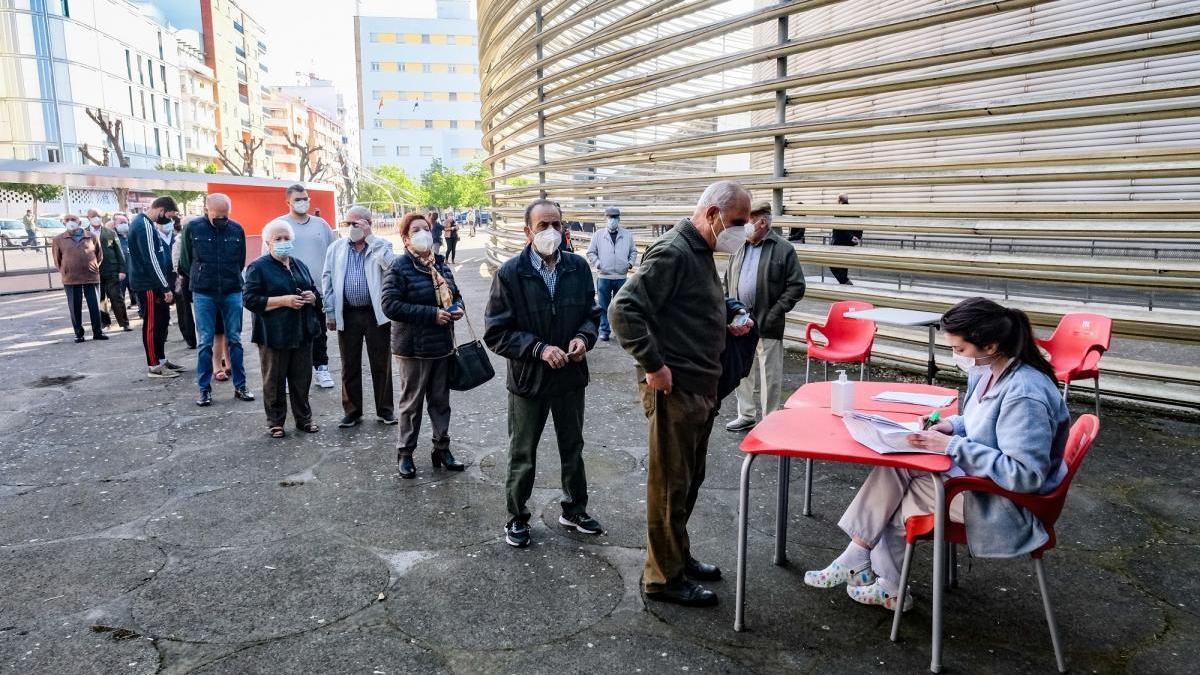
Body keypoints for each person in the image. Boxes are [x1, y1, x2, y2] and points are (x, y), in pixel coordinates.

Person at [805, 297, 1071, 611]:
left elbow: (1025, 475)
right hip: (981, 481)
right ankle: (864, 564)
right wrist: (948, 425)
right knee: (897, 468)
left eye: (959, 350)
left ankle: (881, 580)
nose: (955, 356)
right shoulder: (990, 371)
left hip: (1005, 503)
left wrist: (949, 446)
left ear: (991, 346)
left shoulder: (1024, 394)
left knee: (901, 494)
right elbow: (980, 423)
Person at [609, 180, 756, 607]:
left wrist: (729, 314)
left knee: (688, 481)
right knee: (670, 487)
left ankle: (677, 557)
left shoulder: (700, 251)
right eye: (737, 222)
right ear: (711, 215)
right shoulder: (674, 251)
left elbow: (690, 305)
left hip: (701, 386)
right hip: (677, 390)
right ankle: (662, 580)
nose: (742, 231)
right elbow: (624, 309)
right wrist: (654, 366)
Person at [484, 199, 603, 549]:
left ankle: (574, 508)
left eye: (556, 224)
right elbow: (496, 332)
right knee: (522, 451)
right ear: (527, 232)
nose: (551, 232)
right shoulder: (510, 273)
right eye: (542, 226)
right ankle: (517, 516)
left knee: (573, 447)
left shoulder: (578, 268)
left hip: (569, 376)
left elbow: (591, 314)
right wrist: (538, 349)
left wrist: (584, 338)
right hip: (528, 381)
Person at [382, 212, 466, 478]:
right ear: (406, 238)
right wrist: (431, 314)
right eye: (416, 229)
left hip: (441, 346)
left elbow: (456, 294)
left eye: (426, 228)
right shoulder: (399, 267)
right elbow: (390, 305)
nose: (422, 233)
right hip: (412, 349)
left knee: (441, 402)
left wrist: (457, 308)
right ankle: (405, 453)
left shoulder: (440, 265)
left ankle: (442, 448)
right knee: (412, 404)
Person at [724, 202, 806, 432]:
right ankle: (746, 415)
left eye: (748, 220)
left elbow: (796, 286)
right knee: (743, 372)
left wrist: (775, 312)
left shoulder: (783, 249)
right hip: (740, 321)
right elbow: (727, 279)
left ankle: (770, 420)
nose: (744, 226)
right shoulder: (739, 246)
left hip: (768, 322)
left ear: (762, 222)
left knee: (770, 375)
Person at [243, 220, 322, 438]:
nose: (283, 242)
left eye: (287, 238)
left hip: (302, 331)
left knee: (301, 379)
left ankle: (304, 419)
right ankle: (276, 422)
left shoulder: (298, 264)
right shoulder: (258, 267)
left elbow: (314, 289)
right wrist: (283, 300)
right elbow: (250, 299)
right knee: (274, 380)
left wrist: (312, 296)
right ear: (268, 242)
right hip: (274, 334)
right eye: (278, 239)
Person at [323, 205, 397, 428]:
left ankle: (385, 410)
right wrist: (330, 312)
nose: (351, 228)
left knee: (381, 363)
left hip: (376, 313)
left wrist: (371, 239)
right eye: (348, 224)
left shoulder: (382, 245)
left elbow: (392, 267)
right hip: (348, 312)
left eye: (356, 223)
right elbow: (327, 279)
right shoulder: (336, 248)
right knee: (349, 363)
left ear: (367, 223)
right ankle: (352, 411)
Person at [178, 193, 254, 407]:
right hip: (204, 291)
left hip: (231, 289)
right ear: (206, 210)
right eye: (217, 215)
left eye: (225, 215)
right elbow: (185, 261)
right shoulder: (193, 228)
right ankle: (204, 390)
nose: (222, 219)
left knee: (235, 340)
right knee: (204, 342)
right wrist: (202, 276)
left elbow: (240, 260)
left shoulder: (236, 229)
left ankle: (241, 386)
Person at [267, 185, 336, 389]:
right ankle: (288, 375)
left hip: (316, 291)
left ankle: (321, 368)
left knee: (318, 331)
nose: (303, 202)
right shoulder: (279, 226)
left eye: (305, 198)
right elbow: (268, 256)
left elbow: (332, 253)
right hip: (287, 291)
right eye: (298, 199)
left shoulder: (321, 225)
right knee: (290, 333)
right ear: (288, 202)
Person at [128, 197, 185, 378]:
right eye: (168, 215)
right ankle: (154, 365)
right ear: (161, 210)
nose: (168, 220)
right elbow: (151, 260)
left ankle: (160, 359)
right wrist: (164, 287)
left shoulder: (145, 223)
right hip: (149, 285)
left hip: (152, 283)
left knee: (161, 322)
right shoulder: (143, 225)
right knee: (153, 324)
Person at [52, 214, 107, 343]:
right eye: (67, 220)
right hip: (71, 277)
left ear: (79, 222)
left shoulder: (91, 236)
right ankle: (78, 334)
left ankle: (97, 332)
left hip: (91, 275)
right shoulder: (58, 239)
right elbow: (57, 259)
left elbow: (99, 255)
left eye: (73, 220)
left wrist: (93, 266)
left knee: (94, 305)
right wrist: (65, 270)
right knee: (74, 306)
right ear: (63, 223)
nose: (70, 222)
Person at [585, 206, 637, 342]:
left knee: (621, 306)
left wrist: (629, 264)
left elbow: (633, 251)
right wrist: (598, 264)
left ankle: (620, 332)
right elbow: (591, 252)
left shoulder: (627, 235)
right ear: (605, 219)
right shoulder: (598, 235)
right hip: (604, 277)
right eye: (610, 217)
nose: (612, 220)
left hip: (621, 277)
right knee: (603, 306)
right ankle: (604, 331)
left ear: (619, 219)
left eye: (615, 217)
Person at [97, 215, 131, 332]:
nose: (96, 218)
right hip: (95, 272)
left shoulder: (110, 233)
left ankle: (124, 323)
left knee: (117, 297)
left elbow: (119, 252)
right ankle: (105, 323)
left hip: (112, 270)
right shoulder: (86, 233)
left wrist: (122, 270)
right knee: (101, 299)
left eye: (97, 216)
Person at [169, 214, 197, 349]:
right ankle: (190, 337)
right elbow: (176, 263)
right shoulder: (180, 241)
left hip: (194, 278)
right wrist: (181, 275)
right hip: (186, 279)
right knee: (186, 309)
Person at [829, 193, 862, 285]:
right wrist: (858, 238)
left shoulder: (839, 210)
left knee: (831, 263)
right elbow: (860, 225)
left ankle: (845, 282)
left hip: (839, 242)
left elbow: (840, 227)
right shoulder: (854, 211)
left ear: (839, 201)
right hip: (849, 244)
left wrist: (851, 237)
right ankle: (844, 285)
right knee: (843, 264)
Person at [112, 213, 136, 309]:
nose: (124, 224)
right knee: (119, 294)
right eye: (121, 222)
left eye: (125, 222)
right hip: (120, 272)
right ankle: (119, 312)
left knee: (135, 292)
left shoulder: (133, 235)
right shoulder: (113, 236)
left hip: (133, 271)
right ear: (115, 225)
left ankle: (139, 309)